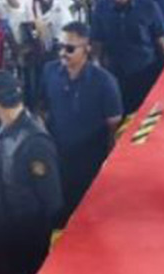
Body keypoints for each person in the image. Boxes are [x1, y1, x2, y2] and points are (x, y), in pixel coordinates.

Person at [0, 69, 63, 273]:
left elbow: (52, 197)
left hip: (32, 230)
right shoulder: (7, 128)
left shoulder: (35, 142)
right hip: (14, 223)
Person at [41, 24, 125, 221]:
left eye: (69, 48)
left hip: (90, 161)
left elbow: (114, 125)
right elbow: (42, 107)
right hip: (58, 157)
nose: (62, 53)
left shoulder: (105, 82)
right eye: (60, 46)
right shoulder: (49, 71)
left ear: (87, 48)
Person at [89, 0, 164, 108]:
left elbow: (162, 47)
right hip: (115, 81)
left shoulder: (149, 8)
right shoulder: (101, 9)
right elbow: (96, 49)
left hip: (146, 78)